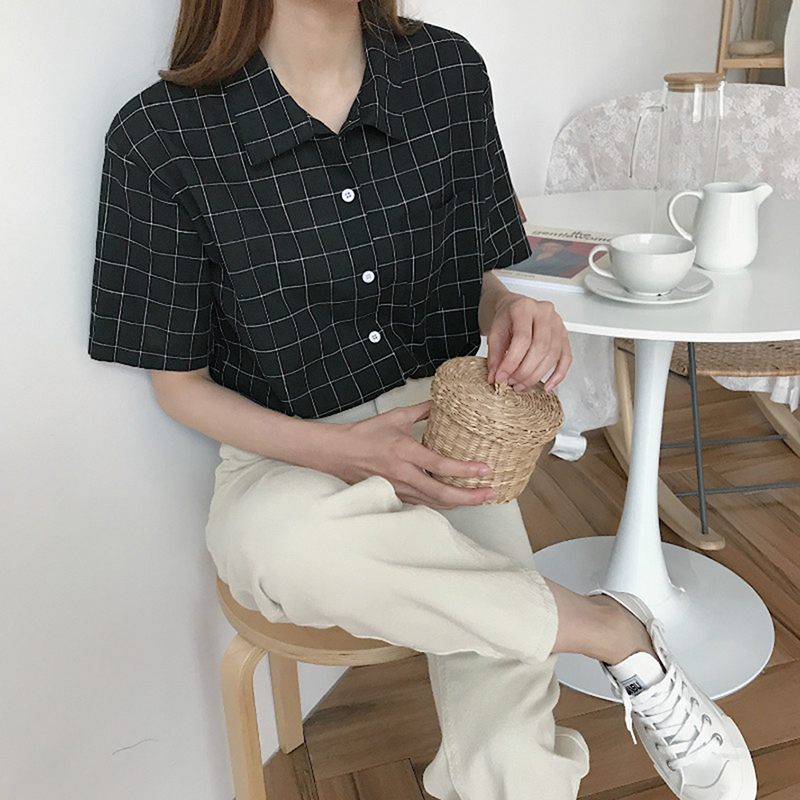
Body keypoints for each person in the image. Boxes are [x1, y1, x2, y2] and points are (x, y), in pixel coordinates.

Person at [88, 2, 756, 798]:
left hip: (448, 436)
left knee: (509, 741)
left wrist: (510, 308)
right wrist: (342, 451)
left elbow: (478, 275)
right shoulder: (158, 136)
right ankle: (610, 628)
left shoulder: (446, 72)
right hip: (286, 450)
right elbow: (179, 385)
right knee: (280, 542)